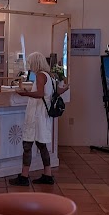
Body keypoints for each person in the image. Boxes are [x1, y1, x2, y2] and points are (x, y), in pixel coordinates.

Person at [9, 52, 68, 186]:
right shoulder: (50, 76)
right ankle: (48, 175)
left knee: (27, 145)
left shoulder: (40, 75)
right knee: (42, 145)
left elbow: (40, 93)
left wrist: (25, 93)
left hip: (36, 114)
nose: (29, 66)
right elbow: (56, 92)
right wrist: (65, 88)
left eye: (30, 63)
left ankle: (24, 176)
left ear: (36, 63)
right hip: (44, 115)